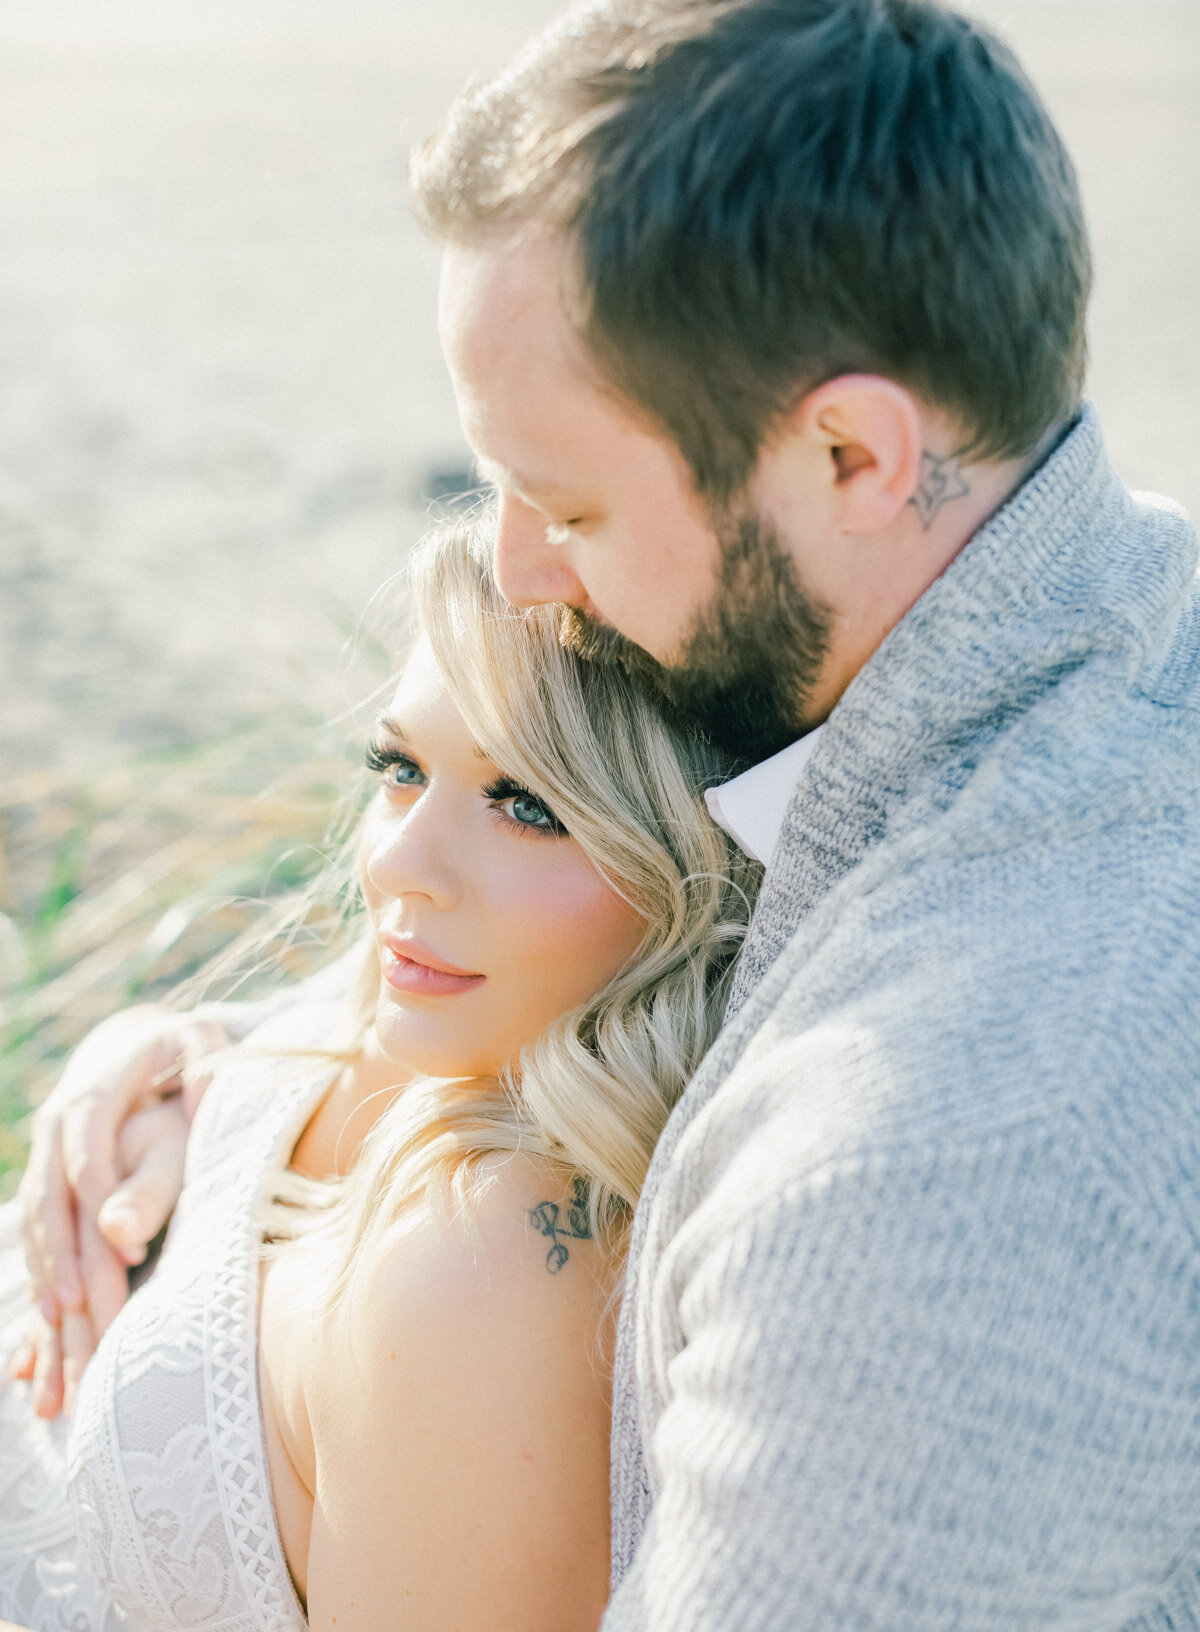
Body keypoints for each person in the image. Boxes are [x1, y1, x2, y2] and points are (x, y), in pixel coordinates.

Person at [18, 0, 1200, 1625]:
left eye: (564, 500)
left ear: (855, 453)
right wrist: (203, 1067)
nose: (511, 568)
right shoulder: (1119, 634)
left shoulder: (923, 1182)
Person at [0, 521, 759, 1631]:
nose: (398, 865)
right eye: (401, 769)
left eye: (530, 807)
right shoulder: (451, 1004)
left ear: (692, 865)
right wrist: (172, 1064)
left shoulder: (496, 1261)